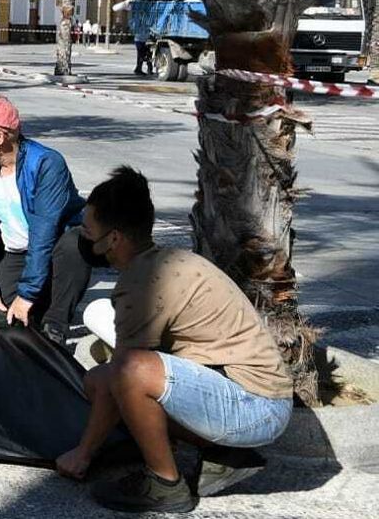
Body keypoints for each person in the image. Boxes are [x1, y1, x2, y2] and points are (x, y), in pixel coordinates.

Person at [54, 168, 293, 513]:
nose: (84, 238)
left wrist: (83, 453)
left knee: (129, 372)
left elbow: (126, 373)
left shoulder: (143, 284)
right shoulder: (162, 261)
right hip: (250, 398)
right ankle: (220, 454)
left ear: (115, 239)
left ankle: (166, 485)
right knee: (99, 379)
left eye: (89, 231)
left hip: (258, 409)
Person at [0, 96, 90, 345]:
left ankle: (56, 325)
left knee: (76, 244)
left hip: (53, 249)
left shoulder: (46, 163)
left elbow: (44, 230)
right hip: (16, 252)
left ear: (1, 136)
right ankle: (36, 310)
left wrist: (27, 294)